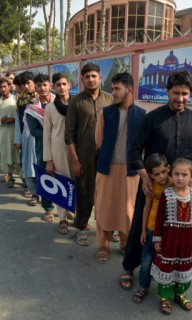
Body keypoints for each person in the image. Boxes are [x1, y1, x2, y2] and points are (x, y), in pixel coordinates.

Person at [119, 70, 192, 290]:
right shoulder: (153, 119)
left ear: (190, 94)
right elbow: (135, 149)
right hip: (152, 186)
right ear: (167, 91)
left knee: (174, 233)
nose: (180, 98)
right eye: (176, 93)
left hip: (180, 192)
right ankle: (129, 267)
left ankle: (169, 278)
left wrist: (191, 179)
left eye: (185, 94)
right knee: (143, 226)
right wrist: (145, 178)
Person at [94, 72, 146, 262]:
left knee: (127, 211)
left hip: (130, 172)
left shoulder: (141, 115)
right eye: (112, 88)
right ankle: (103, 245)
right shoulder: (105, 113)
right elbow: (99, 141)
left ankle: (125, 243)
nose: (113, 92)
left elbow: (143, 145)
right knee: (104, 208)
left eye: (117, 88)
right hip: (107, 168)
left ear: (129, 89)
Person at [65, 63, 114, 246]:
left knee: (107, 192)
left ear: (100, 78)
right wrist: (75, 161)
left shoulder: (110, 99)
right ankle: (82, 226)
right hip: (83, 155)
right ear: (82, 80)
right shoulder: (76, 102)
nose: (91, 79)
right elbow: (69, 135)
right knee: (84, 191)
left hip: (106, 154)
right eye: (87, 77)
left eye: (94, 76)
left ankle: (108, 227)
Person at [151, 158, 192, 314]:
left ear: (191, 176)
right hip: (169, 239)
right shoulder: (167, 195)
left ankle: (180, 293)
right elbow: (159, 219)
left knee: (184, 266)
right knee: (167, 267)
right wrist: (158, 238)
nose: (180, 178)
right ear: (171, 175)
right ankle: (165, 297)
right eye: (176, 174)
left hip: (187, 240)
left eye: (184, 174)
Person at [132, 153, 170, 303]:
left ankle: (165, 293)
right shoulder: (151, 187)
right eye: (156, 174)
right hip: (151, 229)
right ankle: (143, 287)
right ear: (150, 175)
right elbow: (146, 208)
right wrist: (143, 231)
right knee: (146, 260)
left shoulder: (175, 185)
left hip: (169, 232)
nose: (161, 176)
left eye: (163, 172)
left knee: (166, 262)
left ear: (168, 168)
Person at [44, 72, 75, 234]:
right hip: (58, 149)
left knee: (77, 182)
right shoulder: (50, 108)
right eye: (58, 85)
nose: (62, 87)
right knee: (62, 182)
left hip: (77, 149)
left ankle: (74, 212)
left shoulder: (77, 103)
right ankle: (62, 218)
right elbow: (47, 134)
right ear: (54, 87)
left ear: (69, 85)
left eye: (64, 84)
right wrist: (48, 159)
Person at [25, 73, 55, 221]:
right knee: (45, 175)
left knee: (64, 176)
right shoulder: (32, 109)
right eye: (39, 85)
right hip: (43, 147)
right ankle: (48, 209)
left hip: (62, 146)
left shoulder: (60, 103)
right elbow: (34, 130)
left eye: (45, 85)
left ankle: (65, 208)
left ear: (50, 85)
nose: (42, 88)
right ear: (35, 87)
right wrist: (53, 134)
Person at [0, 78, 21, 187]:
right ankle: (10, 176)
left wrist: (14, 120)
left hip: (16, 132)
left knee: (17, 156)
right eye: (1, 87)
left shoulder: (16, 99)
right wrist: (1, 120)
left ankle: (25, 180)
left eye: (5, 86)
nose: (3, 89)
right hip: (4, 133)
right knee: (5, 154)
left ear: (9, 87)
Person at [15, 71, 39, 206]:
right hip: (27, 135)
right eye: (24, 84)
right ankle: (34, 192)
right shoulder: (20, 100)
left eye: (29, 83)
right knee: (28, 165)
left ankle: (47, 194)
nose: (26, 86)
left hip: (43, 136)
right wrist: (18, 140)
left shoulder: (42, 97)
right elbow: (19, 121)